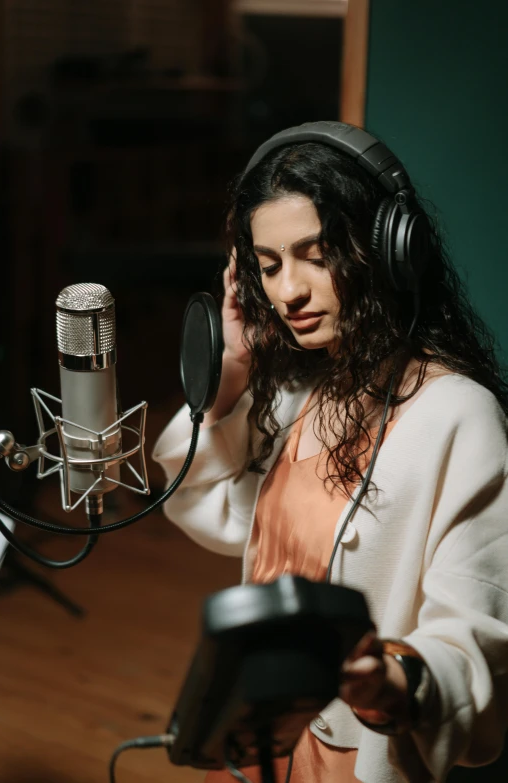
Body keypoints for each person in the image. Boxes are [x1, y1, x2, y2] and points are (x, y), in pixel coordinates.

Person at [153, 122, 508, 783]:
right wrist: (230, 367)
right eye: (267, 265)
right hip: (260, 733)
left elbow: (476, 636)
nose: (288, 291)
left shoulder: (459, 417)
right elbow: (201, 506)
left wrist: (396, 677)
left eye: (315, 255)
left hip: (354, 752)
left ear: (385, 249)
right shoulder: (299, 393)